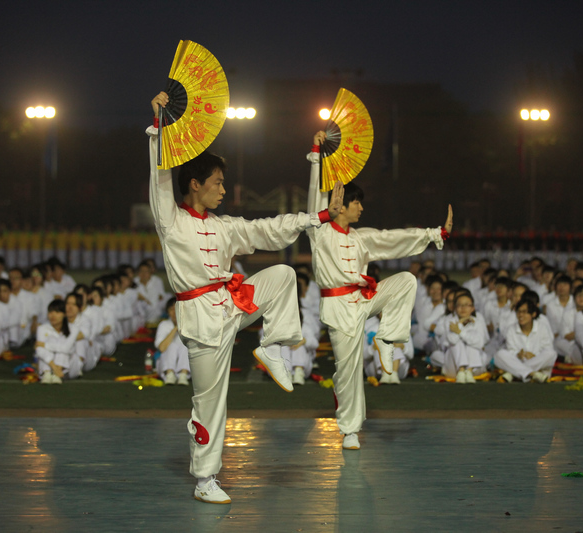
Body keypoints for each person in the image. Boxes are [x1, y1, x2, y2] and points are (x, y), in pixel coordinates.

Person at [148, 92, 344, 504]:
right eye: (218, 183)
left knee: (284, 273)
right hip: (200, 320)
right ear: (195, 184)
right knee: (209, 402)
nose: (224, 189)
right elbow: (160, 178)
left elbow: (268, 229)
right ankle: (205, 479)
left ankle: (272, 345)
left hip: (230, 305)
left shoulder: (224, 226)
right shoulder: (171, 221)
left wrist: (318, 217)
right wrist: (160, 127)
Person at [307, 130, 452, 448]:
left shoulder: (361, 237)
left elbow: (393, 238)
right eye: (356, 202)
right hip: (338, 308)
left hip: (362, 300)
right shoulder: (320, 233)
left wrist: (433, 233)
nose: (361, 208)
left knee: (406, 281)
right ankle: (349, 430)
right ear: (340, 206)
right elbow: (314, 199)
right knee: (348, 369)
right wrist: (317, 152)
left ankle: (388, 338)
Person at [495, 299, 557, 383]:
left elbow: (547, 348)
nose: (520, 315)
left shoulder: (542, 327)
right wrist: (518, 354)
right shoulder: (511, 329)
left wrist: (534, 356)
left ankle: (514, 374)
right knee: (499, 354)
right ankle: (532, 374)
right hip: (519, 361)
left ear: (533, 314)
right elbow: (511, 351)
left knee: (551, 353)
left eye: (524, 312)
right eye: (518, 312)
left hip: (536, 362)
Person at [34, 299, 79, 384]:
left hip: (70, 367)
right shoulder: (42, 328)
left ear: (64, 314)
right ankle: (47, 373)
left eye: (57, 312)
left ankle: (56, 374)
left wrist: (45, 344)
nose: (53, 315)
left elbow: (66, 348)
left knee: (62, 348)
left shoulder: (74, 329)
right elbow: (39, 350)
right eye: (50, 312)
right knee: (47, 348)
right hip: (51, 366)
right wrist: (54, 367)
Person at [153, 297, 190, 385]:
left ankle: (183, 375)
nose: (174, 313)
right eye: (171, 309)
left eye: (177, 309)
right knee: (171, 345)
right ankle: (169, 374)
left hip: (185, 364)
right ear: (167, 312)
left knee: (185, 347)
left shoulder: (190, 324)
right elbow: (161, 348)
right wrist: (176, 328)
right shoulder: (164, 325)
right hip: (166, 363)